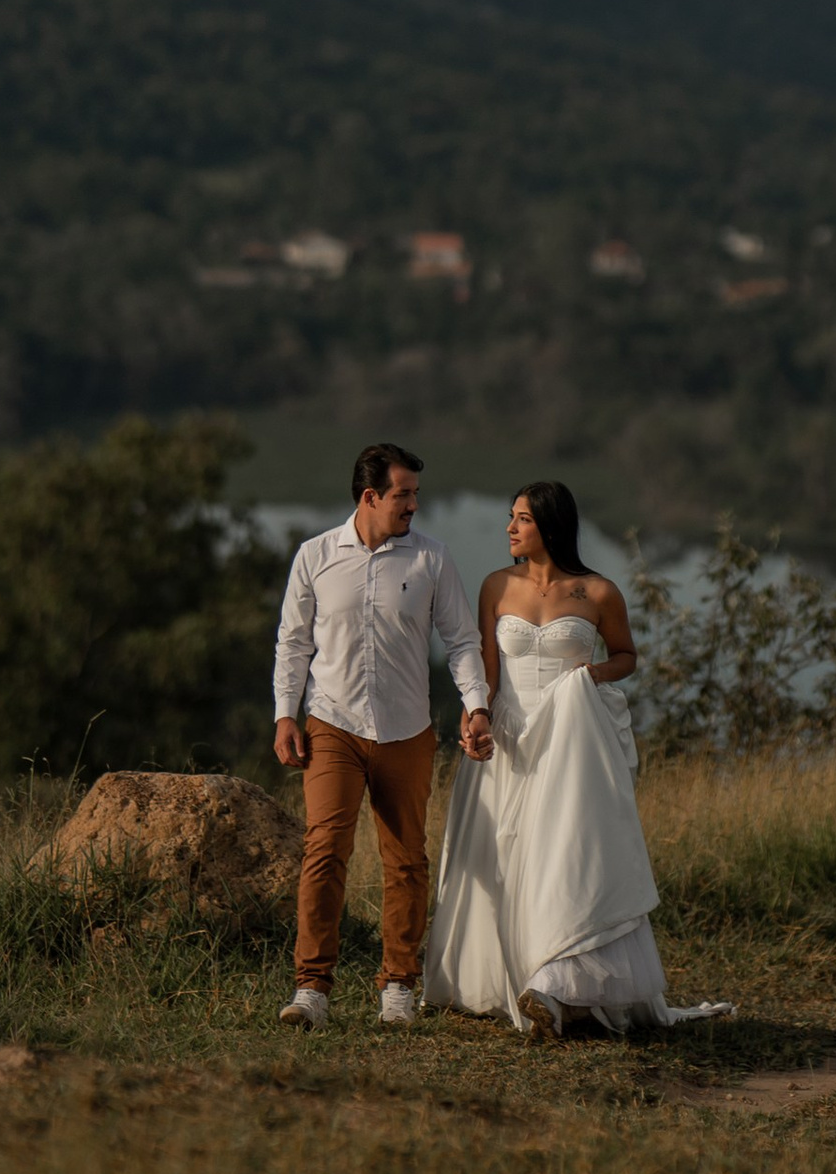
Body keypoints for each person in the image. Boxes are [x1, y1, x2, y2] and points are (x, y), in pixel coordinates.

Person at [424, 478, 728, 1040]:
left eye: (522, 519)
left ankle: (559, 986)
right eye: (510, 517)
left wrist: (588, 675)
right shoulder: (496, 586)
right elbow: (486, 672)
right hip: (512, 739)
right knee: (505, 860)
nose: (509, 528)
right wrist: (476, 720)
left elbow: (627, 657)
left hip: (569, 741)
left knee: (563, 857)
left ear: (550, 526)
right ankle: (516, 978)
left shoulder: (598, 593)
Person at [271, 440, 495, 1031]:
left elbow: (462, 641)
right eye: (404, 495)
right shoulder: (314, 556)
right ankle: (311, 990)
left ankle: (398, 986)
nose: (414, 505)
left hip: (406, 731)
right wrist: (285, 715)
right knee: (325, 852)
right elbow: (293, 644)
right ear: (370, 496)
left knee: (405, 862)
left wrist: (476, 707)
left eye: (415, 495)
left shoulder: (433, 560)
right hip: (332, 726)